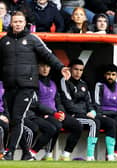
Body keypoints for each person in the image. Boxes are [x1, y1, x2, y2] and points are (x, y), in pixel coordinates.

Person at [0, 11, 70, 160]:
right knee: (15, 120)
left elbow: (48, 54)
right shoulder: (4, 41)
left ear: (25, 23)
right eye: (15, 21)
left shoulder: (32, 39)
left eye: (20, 21)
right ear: (10, 23)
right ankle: (26, 154)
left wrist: (60, 67)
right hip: (10, 86)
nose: (18, 24)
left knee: (17, 118)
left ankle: (10, 152)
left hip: (27, 86)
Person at [37, 62, 82, 161]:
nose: (45, 69)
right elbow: (35, 104)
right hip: (42, 114)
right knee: (56, 124)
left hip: (56, 113)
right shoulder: (34, 82)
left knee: (77, 125)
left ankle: (65, 155)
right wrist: (50, 113)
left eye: (47, 66)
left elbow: (57, 100)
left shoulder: (53, 83)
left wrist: (61, 111)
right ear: (37, 67)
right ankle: (48, 154)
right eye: (42, 65)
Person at [60, 59, 100, 161]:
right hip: (70, 115)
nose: (78, 72)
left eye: (81, 70)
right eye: (76, 69)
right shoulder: (64, 81)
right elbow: (67, 103)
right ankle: (90, 156)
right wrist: (85, 113)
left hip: (84, 114)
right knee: (93, 123)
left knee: (104, 122)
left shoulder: (83, 84)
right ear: (69, 70)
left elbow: (89, 102)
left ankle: (111, 155)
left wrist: (92, 111)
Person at [94, 64, 117, 161]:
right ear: (104, 75)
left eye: (113, 74)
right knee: (113, 124)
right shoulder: (100, 85)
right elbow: (96, 103)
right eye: (108, 74)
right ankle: (109, 155)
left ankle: (115, 153)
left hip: (115, 115)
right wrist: (102, 114)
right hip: (103, 115)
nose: (110, 77)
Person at [0, 81, 9, 159]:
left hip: (2, 114)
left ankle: (4, 152)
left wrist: (6, 116)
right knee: (1, 129)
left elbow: (4, 102)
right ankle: (1, 153)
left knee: (7, 125)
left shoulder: (1, 84)